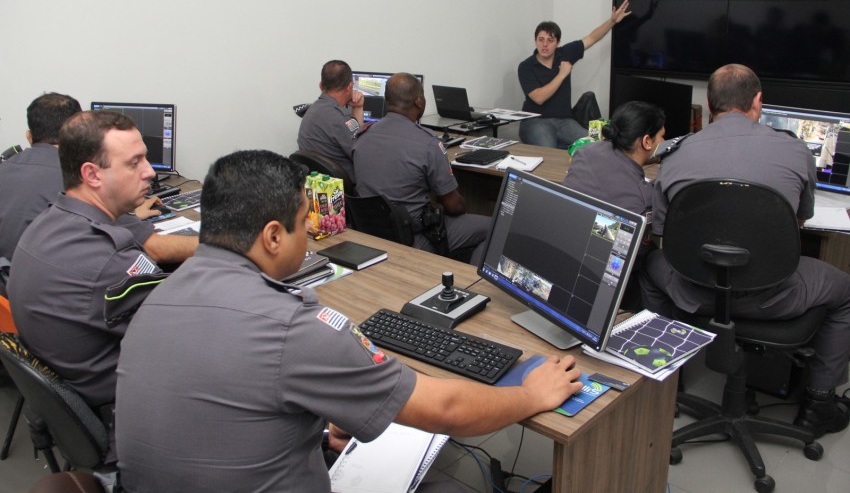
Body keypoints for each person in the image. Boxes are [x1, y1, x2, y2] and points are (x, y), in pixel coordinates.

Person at [114, 150, 583, 492]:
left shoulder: (159, 294)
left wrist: (315, 421)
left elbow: (221, 397)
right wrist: (529, 394)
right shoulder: (292, 327)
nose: (313, 231)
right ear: (273, 236)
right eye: (304, 221)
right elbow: (445, 410)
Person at [641, 63, 850, 437]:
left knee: (649, 266)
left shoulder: (673, 154)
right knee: (845, 291)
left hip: (695, 291)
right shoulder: (794, 149)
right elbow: (799, 223)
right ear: (758, 101)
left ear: (708, 105)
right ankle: (819, 404)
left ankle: (663, 384)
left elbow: (662, 234)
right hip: (771, 294)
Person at [7, 110, 173, 419]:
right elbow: (181, 332)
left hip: (76, 390)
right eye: (134, 162)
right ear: (92, 175)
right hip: (125, 411)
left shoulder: (48, 221)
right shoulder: (108, 260)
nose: (149, 172)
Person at [0, 92, 196, 265]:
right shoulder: (78, 180)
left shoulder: (7, 167)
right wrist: (218, 243)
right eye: (133, 162)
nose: (149, 172)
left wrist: (130, 216)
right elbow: (154, 249)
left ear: (29, 136)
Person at [352, 73, 490, 263]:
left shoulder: (362, 137)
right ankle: (472, 283)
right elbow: (454, 206)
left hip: (373, 234)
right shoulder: (428, 144)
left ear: (386, 100)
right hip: (414, 237)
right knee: (493, 229)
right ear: (419, 101)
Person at [563, 100, 665, 308]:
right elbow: (637, 253)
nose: (664, 142)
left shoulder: (585, 152)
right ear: (647, 141)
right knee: (656, 257)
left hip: (567, 248)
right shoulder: (642, 199)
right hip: (603, 276)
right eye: (662, 137)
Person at [518, 0, 632, 149]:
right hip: (535, 121)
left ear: (557, 42)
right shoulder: (526, 66)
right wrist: (562, 74)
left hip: (564, 121)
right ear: (535, 41)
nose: (545, 45)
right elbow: (539, 98)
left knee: (595, 145)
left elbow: (592, 37)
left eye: (550, 40)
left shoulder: (565, 53)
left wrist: (612, 21)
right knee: (549, 150)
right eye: (541, 40)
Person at [297, 59, 365, 183]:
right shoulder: (341, 118)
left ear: (321, 85)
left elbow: (357, 138)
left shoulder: (311, 110)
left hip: (319, 188)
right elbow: (362, 153)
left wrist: (357, 107)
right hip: (346, 192)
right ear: (350, 87)